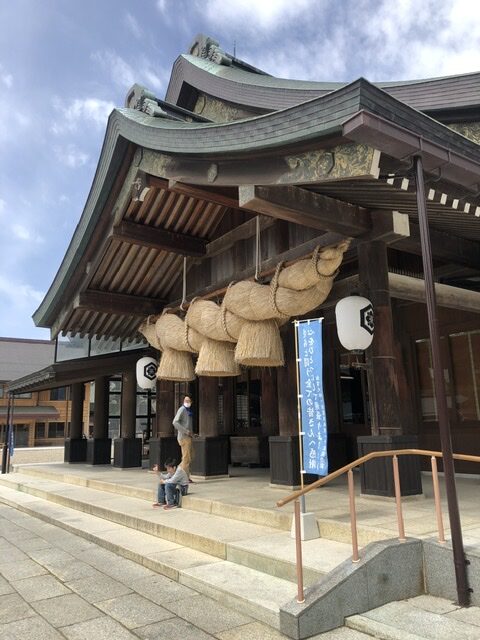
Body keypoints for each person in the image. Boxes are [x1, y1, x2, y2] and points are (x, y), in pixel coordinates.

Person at [173, 395, 194, 478]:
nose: (187, 402)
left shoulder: (188, 411)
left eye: (188, 401)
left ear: (191, 402)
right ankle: (183, 476)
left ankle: (181, 474)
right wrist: (185, 431)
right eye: (185, 400)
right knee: (186, 458)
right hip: (184, 437)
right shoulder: (182, 409)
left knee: (190, 456)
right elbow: (175, 422)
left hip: (188, 437)